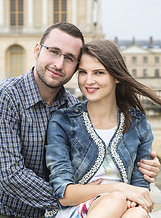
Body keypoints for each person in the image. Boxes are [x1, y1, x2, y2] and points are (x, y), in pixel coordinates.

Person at [0, 22, 160, 218]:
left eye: (69, 58)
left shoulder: (69, 105)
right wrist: (77, 194)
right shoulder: (4, 96)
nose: (59, 64)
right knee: (117, 200)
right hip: (4, 212)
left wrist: (146, 169)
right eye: (53, 52)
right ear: (37, 50)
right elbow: (10, 176)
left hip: (71, 209)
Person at [46, 39, 161, 218]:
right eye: (83, 72)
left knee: (138, 213)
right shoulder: (63, 121)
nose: (88, 81)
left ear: (116, 77)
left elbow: (140, 189)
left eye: (98, 72)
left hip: (124, 208)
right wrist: (117, 189)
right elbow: (64, 194)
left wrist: (128, 197)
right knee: (115, 200)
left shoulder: (138, 123)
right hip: (75, 209)